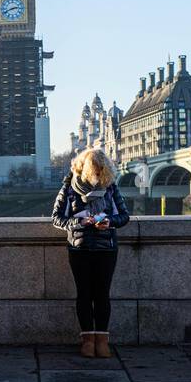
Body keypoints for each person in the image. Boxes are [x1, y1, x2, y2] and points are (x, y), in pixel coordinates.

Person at [52, 147, 130, 358]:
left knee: (102, 294)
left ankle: (102, 340)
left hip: (106, 249)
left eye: (101, 171)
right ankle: (87, 340)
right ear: (86, 169)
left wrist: (109, 222)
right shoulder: (70, 187)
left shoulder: (110, 186)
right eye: (95, 170)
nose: (98, 175)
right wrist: (79, 222)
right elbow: (57, 218)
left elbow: (124, 216)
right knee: (84, 294)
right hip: (80, 248)